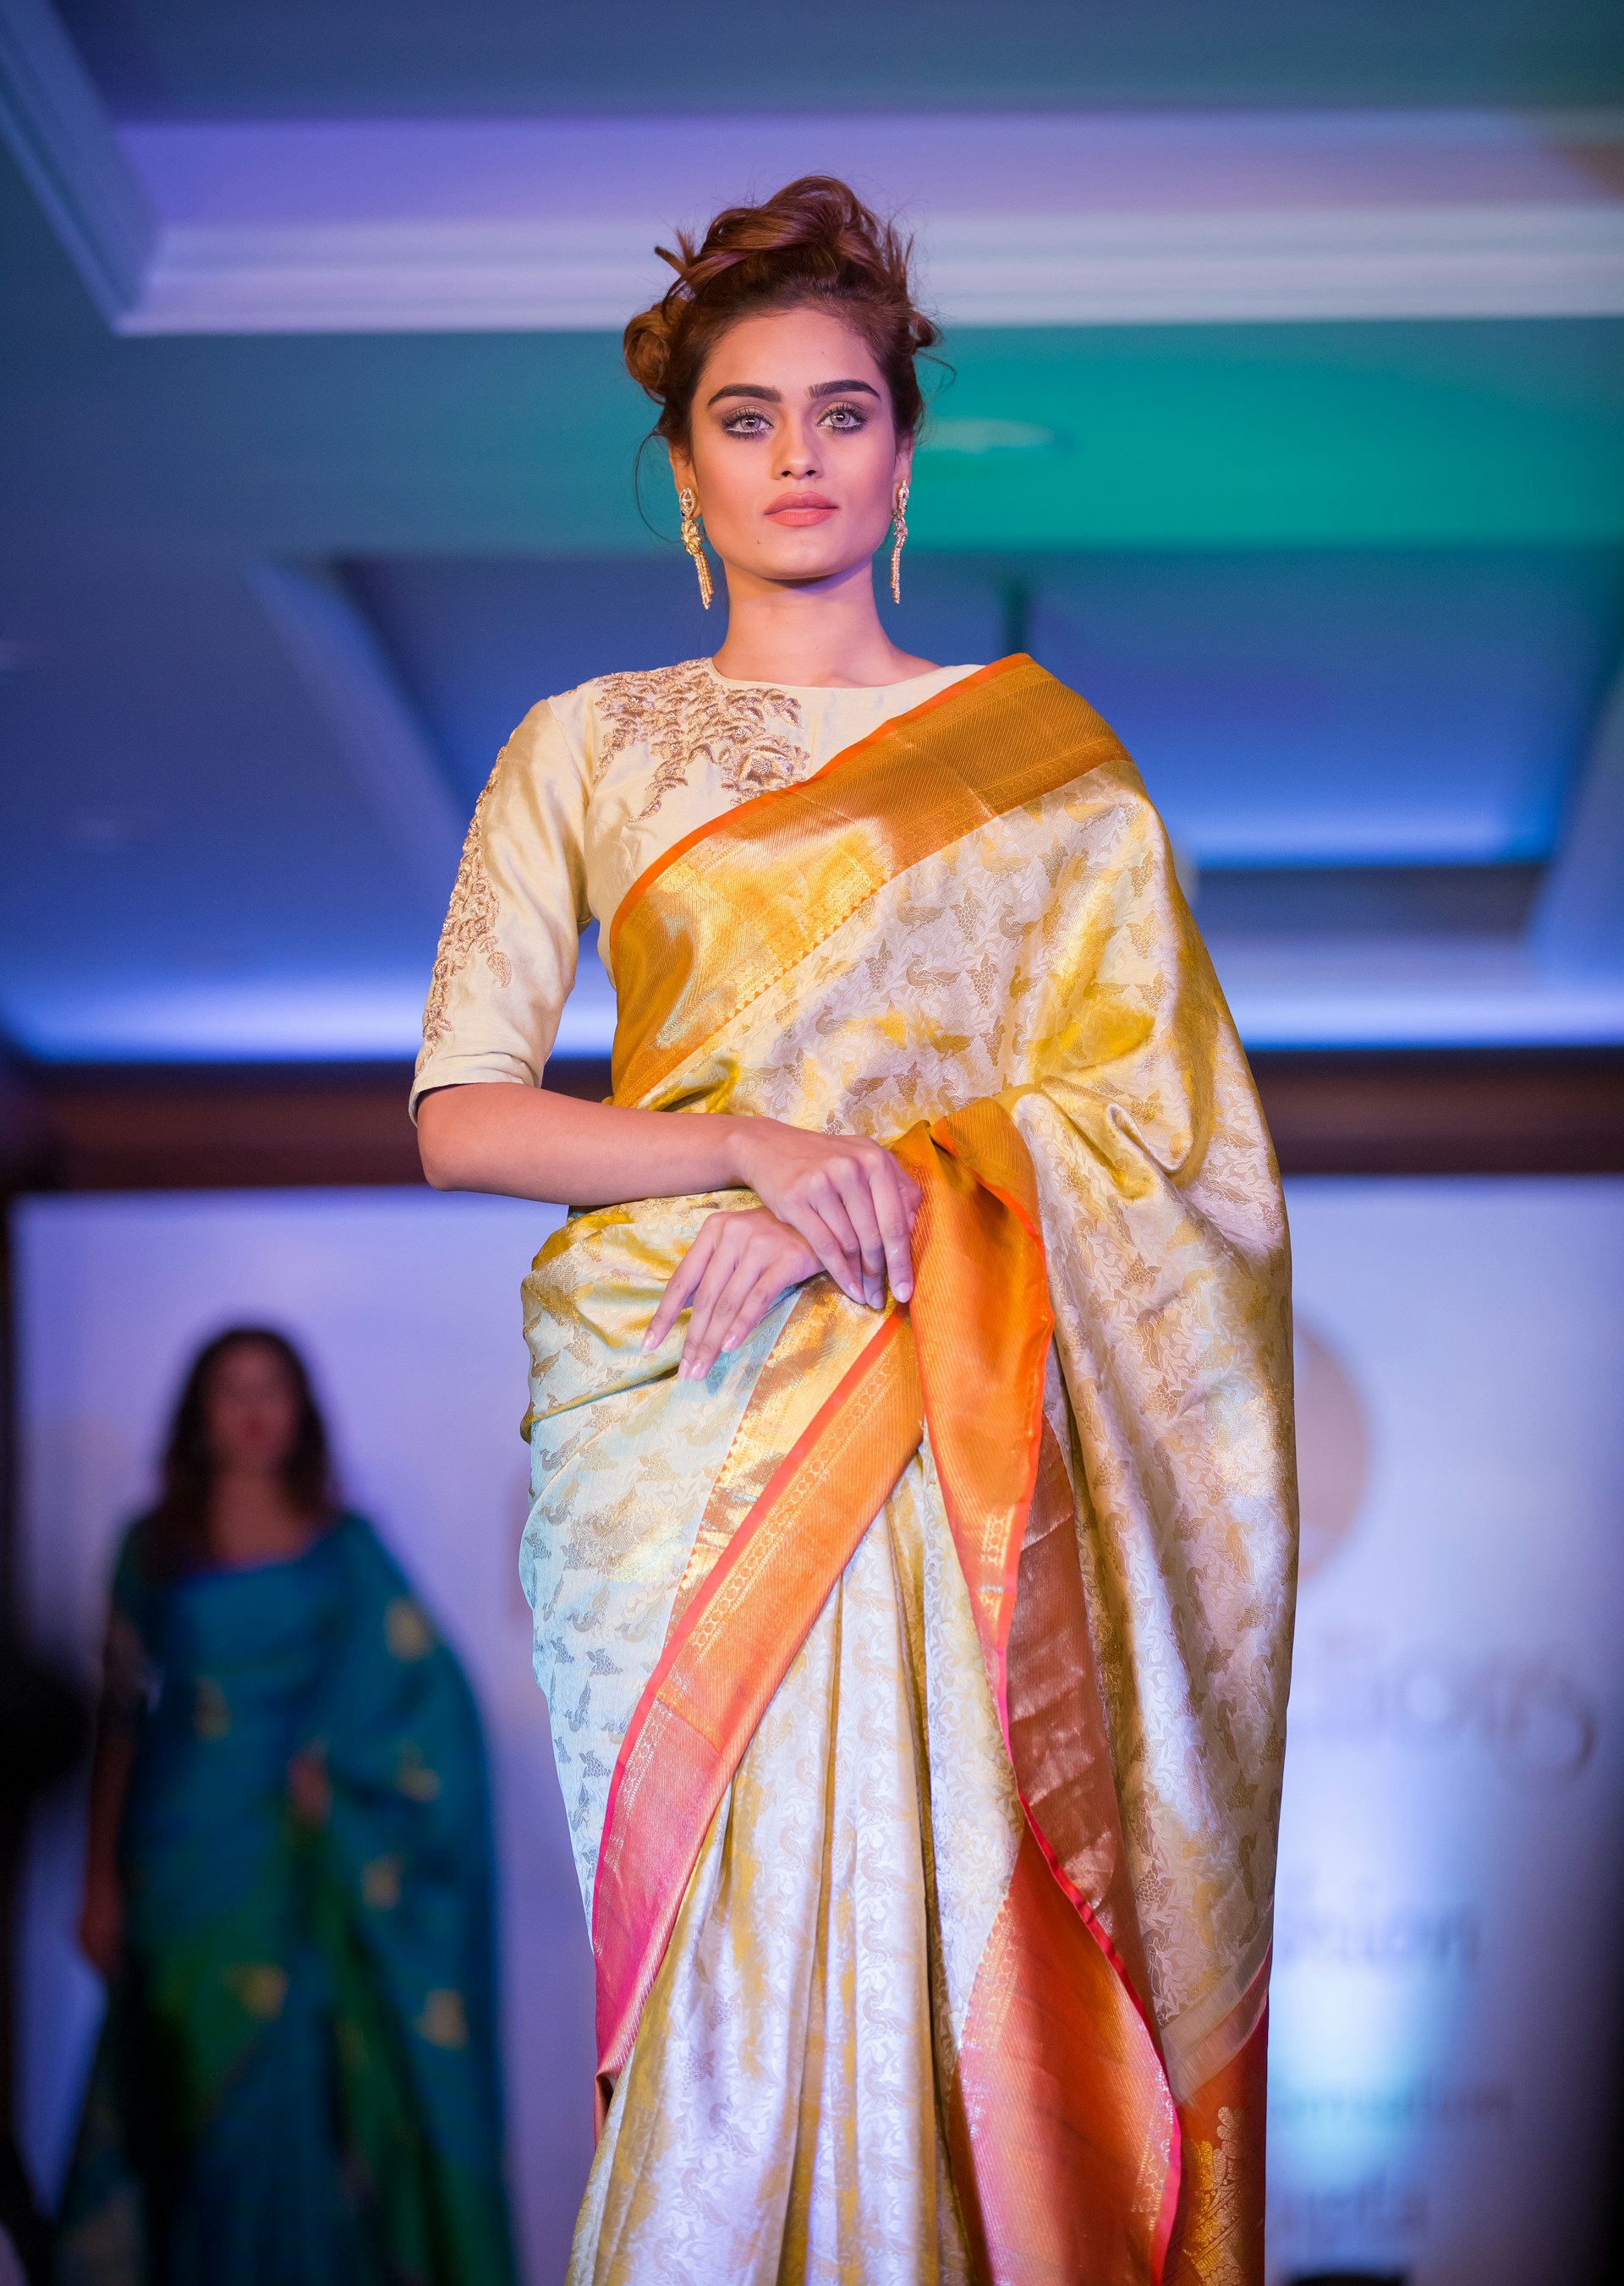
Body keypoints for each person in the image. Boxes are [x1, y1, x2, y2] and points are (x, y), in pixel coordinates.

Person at [414, 175, 1297, 2285]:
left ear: (902, 450)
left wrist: (897, 1192)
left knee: (956, 1910)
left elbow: (1178, 1148)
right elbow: (460, 1117)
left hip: (959, 1425)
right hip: (689, 1410)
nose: (797, 457)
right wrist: (751, 1156)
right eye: (747, 418)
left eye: (839, 412)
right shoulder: (588, 748)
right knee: (732, 1972)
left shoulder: (1056, 771)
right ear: (681, 466)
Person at [58, 1329, 515, 2286]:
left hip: (297, 1862)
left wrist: (344, 1771)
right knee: (178, 2092)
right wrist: (97, 1882)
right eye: (232, 1392)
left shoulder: (343, 1549)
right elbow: (119, 1721)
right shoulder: (153, 1546)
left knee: (296, 2094)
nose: (255, 1410)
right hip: (181, 1857)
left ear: (303, 1409)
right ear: (199, 1414)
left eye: (274, 1389)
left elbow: (429, 1699)